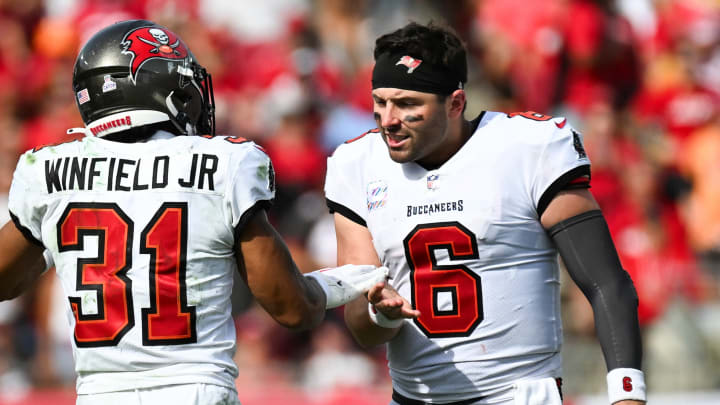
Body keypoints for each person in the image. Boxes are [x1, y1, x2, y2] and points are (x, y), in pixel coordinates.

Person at [0, 19, 387, 405]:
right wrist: (339, 284)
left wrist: (57, 240)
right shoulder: (223, 163)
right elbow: (292, 308)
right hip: (195, 390)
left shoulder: (48, 171)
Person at [325, 22, 646, 405]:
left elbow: (606, 283)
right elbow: (362, 327)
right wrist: (382, 314)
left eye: (408, 104)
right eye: (380, 102)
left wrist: (628, 395)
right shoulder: (356, 164)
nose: (388, 119)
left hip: (518, 395)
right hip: (413, 398)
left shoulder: (527, 148)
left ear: (456, 103)